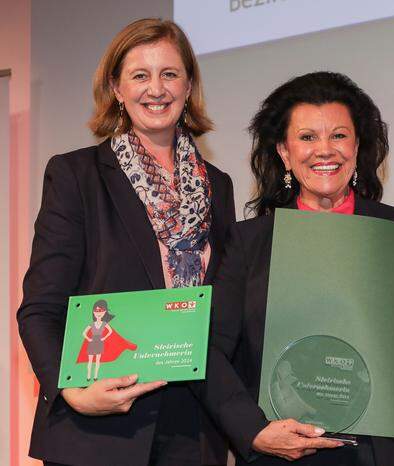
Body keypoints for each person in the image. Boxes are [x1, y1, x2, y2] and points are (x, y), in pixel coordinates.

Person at [17, 18, 235, 466]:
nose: (156, 89)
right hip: (99, 427)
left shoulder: (218, 185)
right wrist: (71, 390)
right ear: (116, 88)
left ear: (189, 84)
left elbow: (225, 309)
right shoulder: (76, 175)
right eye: (140, 75)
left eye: (169, 74)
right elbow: (40, 308)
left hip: (192, 430)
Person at [196, 71, 394, 465]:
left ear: (357, 146)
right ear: (284, 152)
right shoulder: (249, 243)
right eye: (307, 137)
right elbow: (208, 350)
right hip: (283, 454)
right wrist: (253, 431)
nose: (325, 150)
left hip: (384, 454)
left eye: (339, 136)